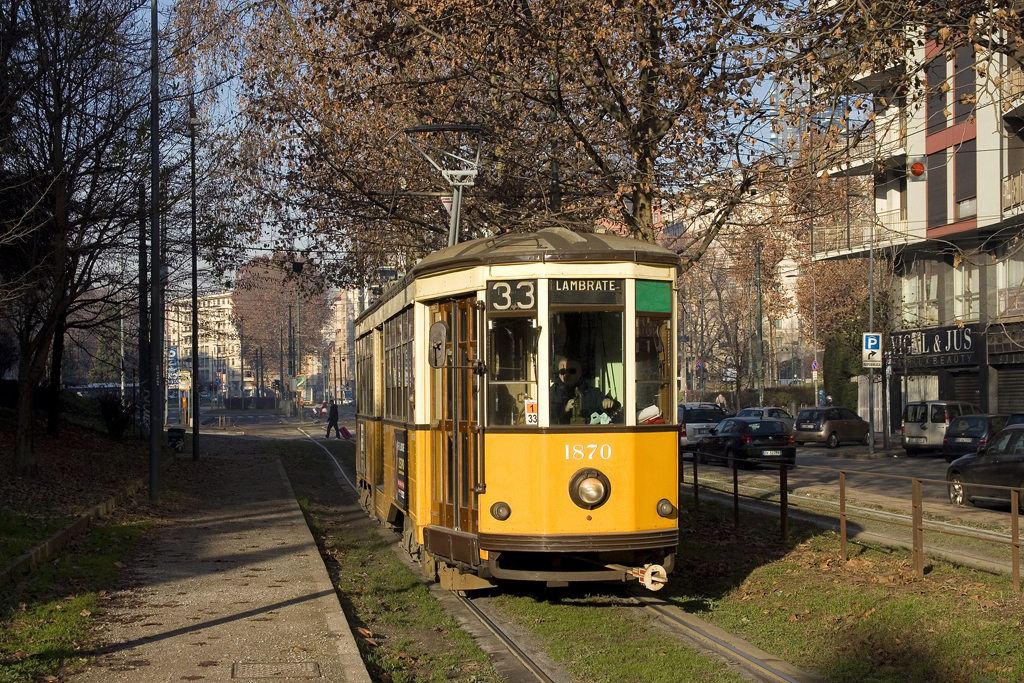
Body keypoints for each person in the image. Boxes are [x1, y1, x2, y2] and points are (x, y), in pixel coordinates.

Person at [550, 357, 620, 425]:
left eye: (571, 371)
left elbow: (613, 410)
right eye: (562, 371)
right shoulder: (551, 393)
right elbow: (550, 420)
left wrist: (610, 403)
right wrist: (565, 410)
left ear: (580, 373)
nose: (566, 374)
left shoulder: (593, 393)